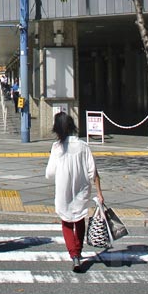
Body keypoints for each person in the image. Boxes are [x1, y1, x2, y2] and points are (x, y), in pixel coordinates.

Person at [45, 112, 104, 272]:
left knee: (66, 221)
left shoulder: (57, 147)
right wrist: (99, 192)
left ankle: (74, 255)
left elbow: (49, 173)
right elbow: (93, 171)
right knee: (79, 219)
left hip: (63, 190)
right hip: (82, 189)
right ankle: (78, 251)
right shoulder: (83, 146)